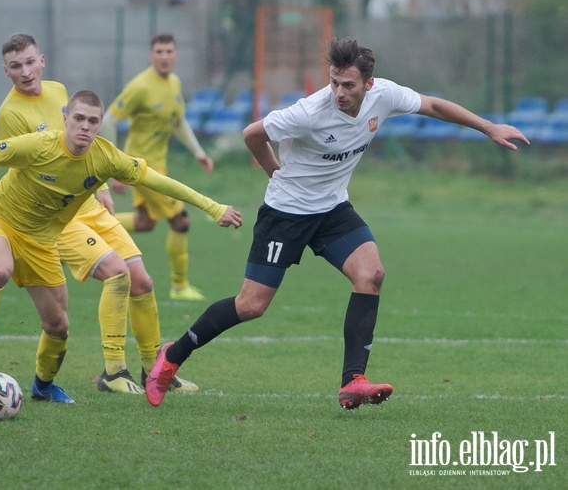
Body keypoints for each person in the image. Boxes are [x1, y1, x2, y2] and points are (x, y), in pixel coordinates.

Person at [144, 36, 529, 409]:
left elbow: (433, 106)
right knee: (251, 306)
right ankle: (172, 355)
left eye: (348, 85)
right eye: (334, 82)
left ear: (368, 84)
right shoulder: (309, 112)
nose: (339, 92)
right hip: (286, 214)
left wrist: (488, 127)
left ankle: (353, 382)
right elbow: (252, 135)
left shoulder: (385, 95)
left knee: (371, 274)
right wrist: (274, 172)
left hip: (331, 210)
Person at [0, 90, 242, 404]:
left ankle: (43, 387)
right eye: (79, 118)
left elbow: (156, 181)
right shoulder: (39, 145)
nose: (84, 126)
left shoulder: (106, 156)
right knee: (0, 270)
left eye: (92, 121)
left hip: (41, 240)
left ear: (100, 126)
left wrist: (212, 207)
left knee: (58, 326)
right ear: (65, 119)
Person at [0, 33, 199, 394]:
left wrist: (99, 186)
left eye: (29, 62)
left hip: (87, 200)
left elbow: (82, 147)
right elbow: (29, 173)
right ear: (5, 71)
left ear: (43, 61)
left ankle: (154, 372)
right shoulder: (10, 114)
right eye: (16, 66)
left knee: (141, 281)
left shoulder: (59, 92)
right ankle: (114, 371)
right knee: (116, 274)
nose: (25, 72)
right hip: (55, 213)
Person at [100, 32, 214, 301]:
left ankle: (85, 227)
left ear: (176, 55)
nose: (164, 57)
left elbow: (178, 121)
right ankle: (179, 286)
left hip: (158, 168)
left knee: (145, 223)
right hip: (141, 169)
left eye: (169, 51)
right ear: (150, 56)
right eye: (159, 52)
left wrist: (198, 151)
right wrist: (114, 165)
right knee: (181, 220)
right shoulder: (139, 86)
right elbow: (108, 122)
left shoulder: (174, 82)